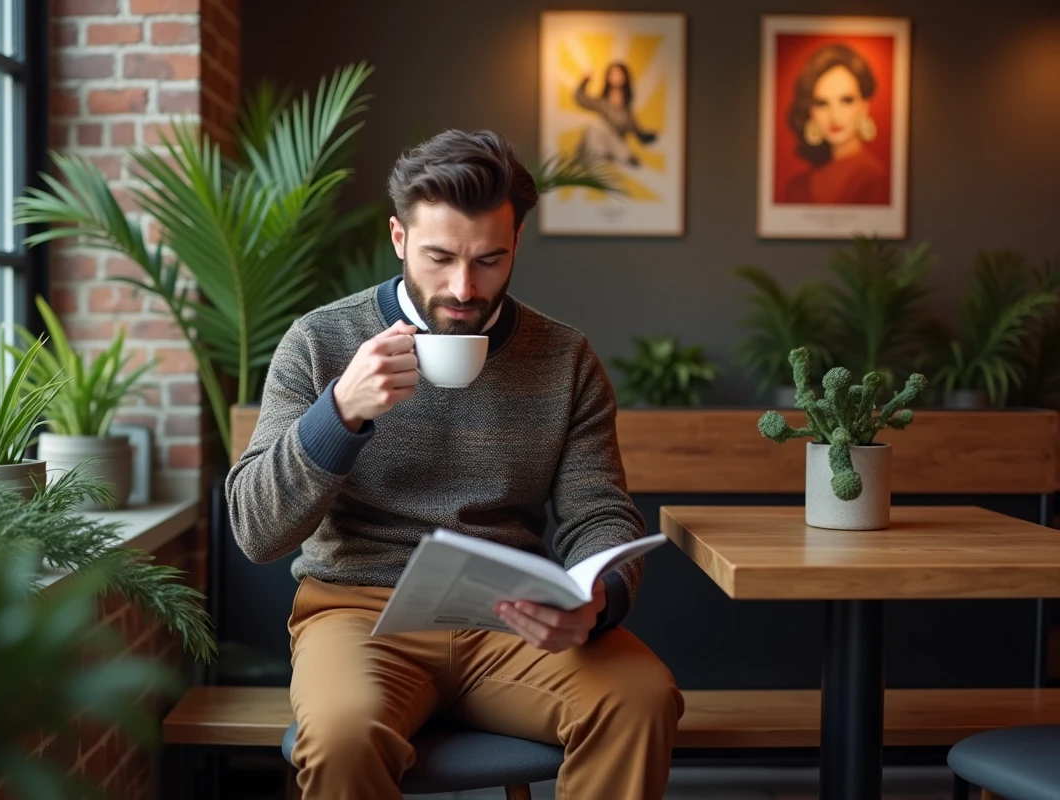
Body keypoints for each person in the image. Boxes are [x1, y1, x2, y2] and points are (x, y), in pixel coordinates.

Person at [226, 129, 684, 799]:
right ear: (398, 237)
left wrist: (597, 598)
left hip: (508, 618)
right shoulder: (320, 342)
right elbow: (255, 530)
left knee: (640, 697)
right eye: (440, 257)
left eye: (490, 260)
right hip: (358, 617)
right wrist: (341, 412)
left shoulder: (564, 358)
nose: (464, 288)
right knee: (344, 733)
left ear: (517, 245)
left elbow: (601, 513)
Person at [784, 42, 889, 205]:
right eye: (822, 103)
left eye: (846, 101)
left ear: (864, 105)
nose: (834, 116)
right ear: (810, 111)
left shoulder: (877, 180)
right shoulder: (798, 186)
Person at [574, 61, 658, 167]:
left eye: (619, 74)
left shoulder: (626, 111)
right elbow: (581, 99)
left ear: (625, 77)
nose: (616, 77)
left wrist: (650, 136)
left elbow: (637, 131)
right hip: (602, 146)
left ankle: (623, 155)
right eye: (613, 74)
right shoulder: (602, 103)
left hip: (616, 147)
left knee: (597, 128)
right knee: (596, 127)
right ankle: (616, 157)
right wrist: (585, 80)